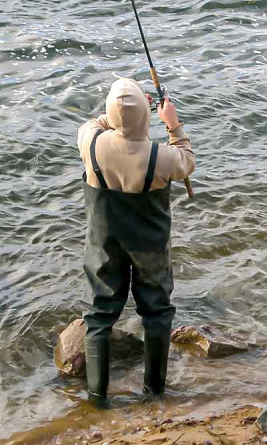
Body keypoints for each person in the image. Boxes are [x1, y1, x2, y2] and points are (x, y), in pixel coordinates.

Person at [76, 78, 195, 407]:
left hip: (104, 246)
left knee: (99, 316)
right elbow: (187, 159)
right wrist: (172, 123)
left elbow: (97, 122)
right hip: (150, 248)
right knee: (156, 313)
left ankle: (97, 399)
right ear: (146, 114)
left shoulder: (90, 144)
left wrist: (124, 110)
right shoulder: (162, 157)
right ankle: (154, 393)